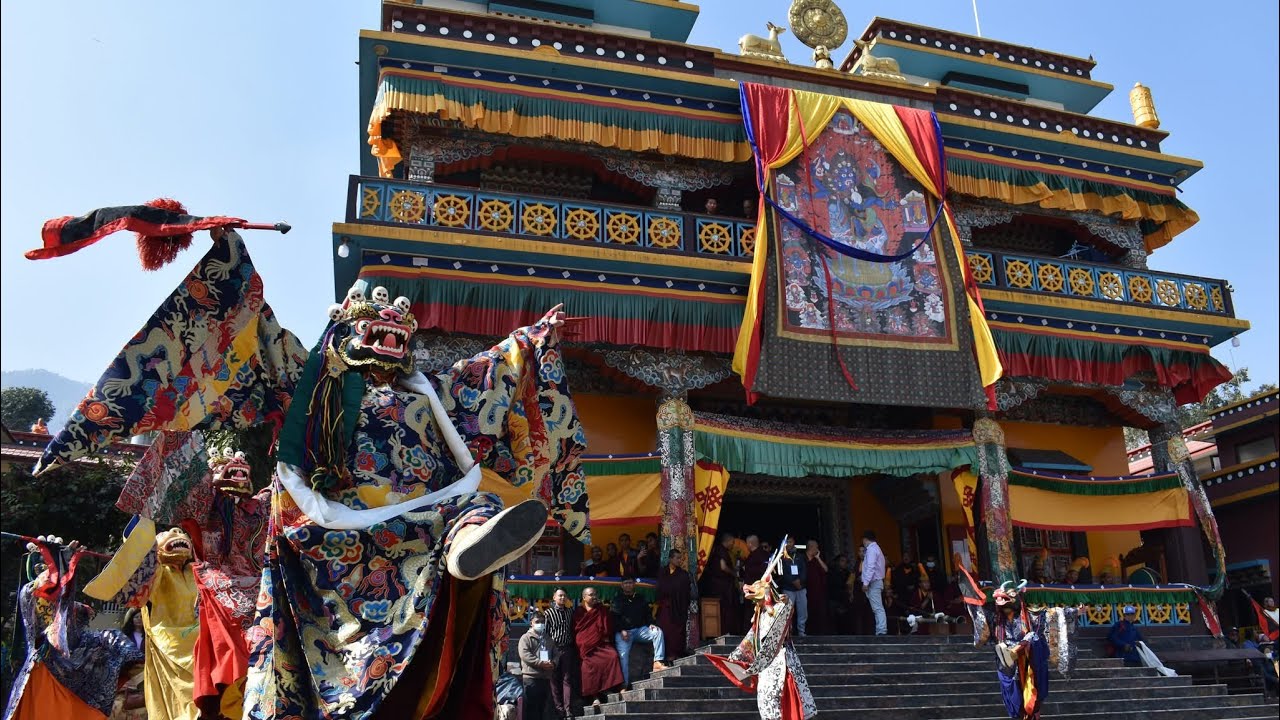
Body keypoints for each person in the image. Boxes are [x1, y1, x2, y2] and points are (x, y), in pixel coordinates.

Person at [703, 540, 818, 719]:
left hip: (781, 660)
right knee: (764, 699)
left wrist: (779, 598)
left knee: (778, 699)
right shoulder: (760, 615)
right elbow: (751, 638)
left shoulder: (780, 608)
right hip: (765, 664)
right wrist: (736, 657)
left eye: (757, 589)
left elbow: (786, 611)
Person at [612, 577, 669, 688]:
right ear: (622, 585)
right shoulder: (617, 599)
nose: (628, 585)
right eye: (625, 583)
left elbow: (647, 613)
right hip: (624, 632)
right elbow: (614, 618)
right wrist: (621, 630)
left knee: (657, 632)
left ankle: (658, 662)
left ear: (634, 584)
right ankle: (624, 685)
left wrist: (650, 623)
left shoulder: (640, 598)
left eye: (630, 583)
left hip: (639, 630)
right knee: (623, 656)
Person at [572, 587, 623, 708]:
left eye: (595, 594)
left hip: (600, 643)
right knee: (588, 666)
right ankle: (594, 696)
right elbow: (577, 630)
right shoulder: (578, 612)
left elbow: (607, 627)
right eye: (591, 595)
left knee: (612, 656)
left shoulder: (601, 610)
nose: (594, 597)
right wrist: (584, 642)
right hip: (586, 647)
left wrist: (603, 636)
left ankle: (607, 688)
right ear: (584, 597)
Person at [544, 589, 578, 720]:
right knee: (554, 680)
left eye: (564, 596)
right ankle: (559, 710)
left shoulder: (570, 612)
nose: (562, 598)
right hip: (553, 649)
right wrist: (545, 655)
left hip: (567, 649)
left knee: (567, 678)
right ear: (554, 597)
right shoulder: (548, 613)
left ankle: (568, 709)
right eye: (560, 595)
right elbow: (545, 635)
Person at [656, 549, 692, 659]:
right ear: (670, 559)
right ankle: (664, 654)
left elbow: (687, 592)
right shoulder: (663, 572)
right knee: (665, 630)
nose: (679, 560)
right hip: (666, 607)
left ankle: (676, 654)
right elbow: (660, 588)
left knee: (677, 632)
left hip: (679, 607)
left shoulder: (683, 574)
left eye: (681, 558)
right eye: (677, 558)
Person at [518, 611, 555, 720]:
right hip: (531, 678)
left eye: (542, 622)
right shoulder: (525, 638)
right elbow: (525, 655)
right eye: (537, 622)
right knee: (532, 708)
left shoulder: (548, 638)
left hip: (545, 678)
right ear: (531, 623)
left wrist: (553, 663)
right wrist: (540, 663)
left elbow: (556, 653)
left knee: (542, 708)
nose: (540, 624)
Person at [704, 532, 741, 636]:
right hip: (722, 585)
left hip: (718, 584)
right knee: (725, 608)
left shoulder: (719, 550)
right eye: (732, 542)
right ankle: (725, 631)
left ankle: (725, 631)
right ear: (728, 541)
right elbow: (723, 567)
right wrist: (734, 573)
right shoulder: (721, 550)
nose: (733, 545)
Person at [774, 536, 809, 637]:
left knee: (803, 611)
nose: (789, 544)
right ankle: (788, 632)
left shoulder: (800, 556)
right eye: (787, 542)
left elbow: (804, 570)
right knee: (787, 611)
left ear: (794, 542)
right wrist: (793, 581)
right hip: (788, 588)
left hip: (801, 588)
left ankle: (801, 631)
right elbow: (781, 573)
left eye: (790, 542)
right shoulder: (781, 557)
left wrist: (800, 581)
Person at [861, 531, 888, 635]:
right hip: (876, 581)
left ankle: (881, 631)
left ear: (865, 539)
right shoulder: (876, 548)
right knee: (877, 608)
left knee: (878, 608)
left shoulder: (871, 550)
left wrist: (866, 583)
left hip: (874, 582)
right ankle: (880, 630)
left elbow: (871, 567)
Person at [804, 539, 829, 635]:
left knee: (820, 612)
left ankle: (820, 633)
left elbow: (826, 570)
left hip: (818, 591)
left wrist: (818, 558)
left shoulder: (817, 559)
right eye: (816, 547)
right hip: (805, 590)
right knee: (807, 612)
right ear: (811, 547)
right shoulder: (802, 559)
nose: (818, 549)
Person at [828, 554, 854, 634]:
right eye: (842, 561)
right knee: (832, 620)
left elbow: (849, 586)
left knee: (844, 620)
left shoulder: (848, 573)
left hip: (843, 600)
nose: (844, 563)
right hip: (833, 598)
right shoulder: (831, 572)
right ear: (838, 562)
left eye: (845, 561)